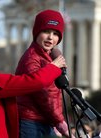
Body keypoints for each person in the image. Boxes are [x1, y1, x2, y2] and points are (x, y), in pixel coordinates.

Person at [15, 9, 71, 138]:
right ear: (36, 32)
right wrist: (60, 122)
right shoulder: (32, 58)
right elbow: (45, 94)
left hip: (44, 121)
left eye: (55, 33)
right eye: (46, 31)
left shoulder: (49, 58)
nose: (50, 37)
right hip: (30, 123)